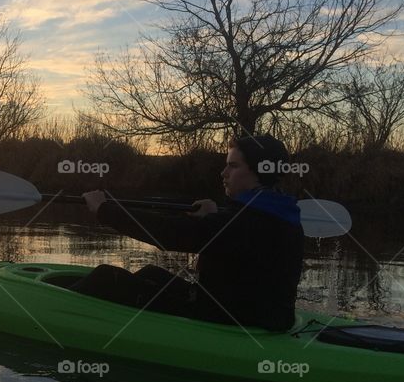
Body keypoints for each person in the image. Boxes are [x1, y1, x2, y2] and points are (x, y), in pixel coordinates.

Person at [73, 134, 303, 332]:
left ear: (258, 173)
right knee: (152, 272)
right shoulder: (282, 213)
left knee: (105, 278)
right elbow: (231, 231)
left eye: (233, 166)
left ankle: (62, 315)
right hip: (258, 314)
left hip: (230, 320)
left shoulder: (241, 222)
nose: (223, 173)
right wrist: (213, 214)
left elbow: (168, 234)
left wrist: (105, 211)